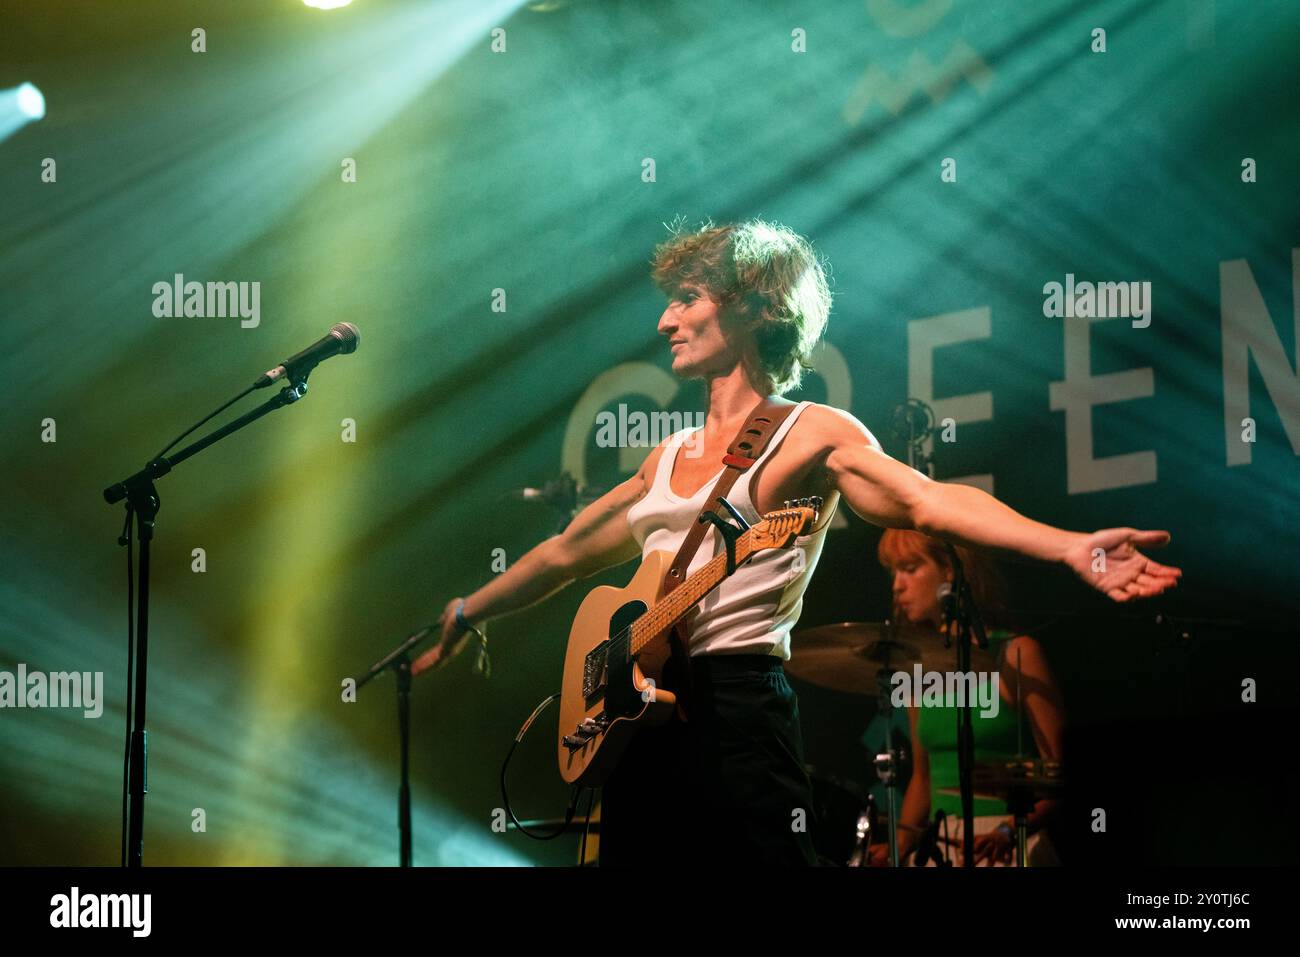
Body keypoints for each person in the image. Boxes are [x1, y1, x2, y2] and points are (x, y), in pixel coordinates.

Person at [411, 217, 1181, 866]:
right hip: (638, 727)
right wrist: (466, 609)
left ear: (753, 305)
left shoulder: (809, 431)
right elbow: (563, 553)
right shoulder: (664, 459)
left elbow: (926, 500)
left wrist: (1072, 545)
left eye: (686, 299)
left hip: (739, 712)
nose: (664, 321)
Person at [867, 529, 1064, 866]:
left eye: (910, 568)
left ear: (950, 571)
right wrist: (896, 848)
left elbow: (1062, 773)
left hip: (1008, 839)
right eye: (893, 572)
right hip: (942, 842)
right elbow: (923, 781)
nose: (897, 585)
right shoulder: (917, 669)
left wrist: (1009, 830)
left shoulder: (1016, 654)